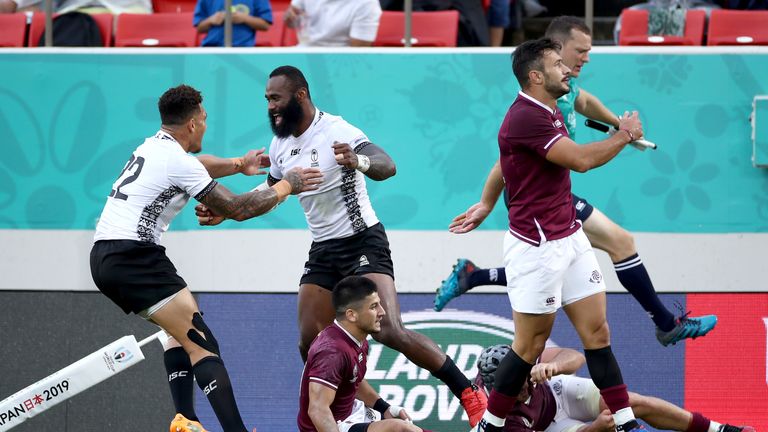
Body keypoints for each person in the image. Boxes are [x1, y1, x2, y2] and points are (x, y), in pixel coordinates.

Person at [195, 65, 488, 428]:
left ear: (300, 95)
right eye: (267, 99)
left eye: (276, 98)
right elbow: (270, 192)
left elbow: (387, 165)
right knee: (310, 340)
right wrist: (228, 211)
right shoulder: (280, 144)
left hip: (363, 240)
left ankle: (469, 392)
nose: (270, 106)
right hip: (323, 248)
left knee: (389, 330)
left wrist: (358, 161)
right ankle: (367, 408)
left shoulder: (336, 130)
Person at [434, 15, 717, 348]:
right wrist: (486, 203)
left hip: (554, 198)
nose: (586, 58)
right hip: (539, 204)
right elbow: (507, 161)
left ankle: (475, 276)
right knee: (619, 243)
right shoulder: (540, 100)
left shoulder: (566, 90)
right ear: (557, 49)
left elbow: (584, 101)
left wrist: (616, 123)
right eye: (580, 50)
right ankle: (666, 324)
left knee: (554, 269)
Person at [90, 84, 322, 432]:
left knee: (180, 330)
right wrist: (287, 184)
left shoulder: (153, 146)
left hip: (105, 256)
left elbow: (198, 165)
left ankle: (187, 419)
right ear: (194, 124)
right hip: (133, 255)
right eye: (205, 118)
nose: (206, 125)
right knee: (202, 344)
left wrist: (239, 164)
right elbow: (238, 209)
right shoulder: (175, 161)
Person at [474, 37, 645, 432]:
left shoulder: (549, 109)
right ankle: (492, 423)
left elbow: (504, 165)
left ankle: (626, 422)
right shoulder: (525, 117)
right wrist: (625, 134)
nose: (567, 68)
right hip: (536, 247)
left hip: (569, 235)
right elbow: (582, 161)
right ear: (535, 76)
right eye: (557, 64)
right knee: (530, 346)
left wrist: (485, 202)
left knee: (598, 332)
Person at [474, 344, 756, 432]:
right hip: (546, 429)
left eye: (523, 380)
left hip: (558, 394)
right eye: (516, 389)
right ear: (497, 389)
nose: (524, 388)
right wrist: (595, 428)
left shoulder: (520, 361)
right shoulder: (496, 419)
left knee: (631, 403)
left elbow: (575, 357)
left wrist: (554, 367)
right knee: (608, 426)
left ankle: (718, 430)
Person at [299, 276, 435, 432]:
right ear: (351, 315)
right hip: (330, 426)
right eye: (374, 307)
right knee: (400, 429)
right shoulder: (332, 351)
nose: (382, 312)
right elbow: (318, 411)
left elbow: (352, 380)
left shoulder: (357, 338)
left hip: (353, 415)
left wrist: (384, 408)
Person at [283, 0, 382, 46]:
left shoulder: (367, 3)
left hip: (340, 59)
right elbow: (290, 21)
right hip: (304, 51)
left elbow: (357, 52)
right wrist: (289, 18)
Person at [193, 0, 272, 47]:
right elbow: (199, 28)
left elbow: (265, 25)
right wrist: (211, 20)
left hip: (243, 48)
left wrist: (245, 18)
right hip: (211, 47)